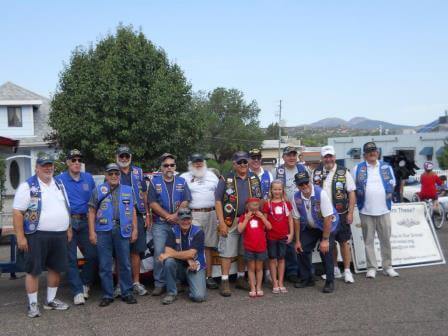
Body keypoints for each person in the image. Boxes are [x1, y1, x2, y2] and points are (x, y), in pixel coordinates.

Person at [13, 154, 71, 318]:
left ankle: (50, 301)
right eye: (44, 165)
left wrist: (68, 227)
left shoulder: (59, 183)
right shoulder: (28, 186)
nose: (48, 168)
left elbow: (66, 206)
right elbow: (18, 212)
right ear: (36, 168)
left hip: (59, 234)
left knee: (55, 268)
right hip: (36, 234)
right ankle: (32, 304)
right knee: (33, 270)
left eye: (50, 165)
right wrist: (20, 236)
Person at [88, 163, 138, 307]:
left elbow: (133, 211)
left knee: (125, 264)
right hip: (103, 231)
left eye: (116, 174)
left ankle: (127, 292)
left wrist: (135, 230)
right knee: (104, 264)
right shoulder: (98, 190)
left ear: (120, 175)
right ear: (106, 175)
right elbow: (91, 212)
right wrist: (92, 232)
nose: (114, 176)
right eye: (111, 174)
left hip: (123, 230)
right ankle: (107, 294)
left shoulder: (128, 190)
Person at [215, 151, 262, 297]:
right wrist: (221, 222)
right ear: (234, 164)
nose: (243, 165)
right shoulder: (226, 178)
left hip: (248, 219)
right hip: (231, 220)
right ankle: (224, 281)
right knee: (227, 252)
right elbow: (217, 201)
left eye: (245, 162)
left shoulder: (254, 178)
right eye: (239, 162)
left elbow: (259, 199)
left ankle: (241, 278)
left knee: (243, 251)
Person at [353, 142, 399, 279]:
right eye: (369, 151)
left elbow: (393, 184)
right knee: (368, 241)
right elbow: (353, 188)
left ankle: (387, 266)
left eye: (374, 150)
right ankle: (371, 267)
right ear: (364, 155)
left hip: (384, 210)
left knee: (386, 240)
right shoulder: (357, 168)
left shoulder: (387, 167)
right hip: (366, 211)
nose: (372, 153)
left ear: (378, 153)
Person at [57, 149, 97, 305]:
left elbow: (94, 201)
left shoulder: (88, 178)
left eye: (79, 160)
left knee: (94, 255)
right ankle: (77, 291)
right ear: (67, 162)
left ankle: (85, 283)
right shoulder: (59, 180)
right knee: (71, 258)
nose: (77, 163)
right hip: (68, 223)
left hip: (86, 221)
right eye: (73, 160)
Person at [148, 153, 192, 296]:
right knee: (159, 252)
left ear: (175, 167)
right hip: (160, 224)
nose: (169, 168)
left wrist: (176, 215)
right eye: (166, 165)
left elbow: (186, 200)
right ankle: (159, 283)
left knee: (177, 252)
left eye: (171, 165)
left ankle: (177, 282)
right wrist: (167, 216)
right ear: (161, 167)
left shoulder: (182, 181)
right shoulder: (154, 182)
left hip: (178, 223)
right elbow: (152, 203)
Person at [312, 146, 356, 283]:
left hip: (341, 213)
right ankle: (335, 269)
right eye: (326, 156)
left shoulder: (344, 172)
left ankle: (347, 270)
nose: (328, 159)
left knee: (344, 242)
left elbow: (351, 192)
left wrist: (350, 212)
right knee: (330, 244)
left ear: (335, 157)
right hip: (325, 216)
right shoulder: (316, 172)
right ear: (322, 158)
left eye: (330, 156)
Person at [292, 170, 340, 293]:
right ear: (297, 185)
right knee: (301, 248)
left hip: (327, 225)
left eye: (306, 183)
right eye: (301, 184)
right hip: (312, 227)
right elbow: (296, 219)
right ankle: (307, 278)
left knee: (325, 250)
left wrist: (324, 240)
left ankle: (330, 281)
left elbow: (328, 218)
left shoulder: (321, 193)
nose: (304, 186)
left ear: (310, 181)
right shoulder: (296, 197)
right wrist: (297, 241)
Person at [180, 153, 219, 289]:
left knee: (208, 246)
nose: (198, 164)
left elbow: (219, 195)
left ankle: (208, 277)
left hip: (211, 213)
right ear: (190, 164)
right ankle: (193, 275)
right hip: (193, 215)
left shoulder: (212, 176)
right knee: (193, 246)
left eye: (200, 161)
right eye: (195, 162)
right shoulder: (183, 177)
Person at [115, 145, 149, 297]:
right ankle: (119, 284)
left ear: (130, 157)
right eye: (121, 156)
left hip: (139, 215)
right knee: (119, 252)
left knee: (135, 251)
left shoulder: (138, 172)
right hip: (119, 217)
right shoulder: (112, 172)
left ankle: (135, 283)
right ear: (117, 157)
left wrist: (148, 214)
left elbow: (144, 193)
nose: (124, 159)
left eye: (126, 156)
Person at [159, 207, 207, 304]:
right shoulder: (172, 231)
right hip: (181, 265)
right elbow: (167, 250)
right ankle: (171, 293)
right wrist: (187, 258)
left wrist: (187, 257)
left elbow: (191, 253)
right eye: (183, 219)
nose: (185, 222)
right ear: (178, 220)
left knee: (199, 297)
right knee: (168, 262)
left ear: (191, 219)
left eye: (188, 219)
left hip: (194, 266)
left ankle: (190, 285)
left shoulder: (198, 232)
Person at [274, 146, 307, 284]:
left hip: (302, 208)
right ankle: (292, 271)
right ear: (284, 157)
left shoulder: (303, 169)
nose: (292, 157)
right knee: (289, 242)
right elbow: (276, 189)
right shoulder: (278, 171)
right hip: (286, 210)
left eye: (294, 155)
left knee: (302, 241)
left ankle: (303, 269)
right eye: (289, 155)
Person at [262, 180, 293, 293]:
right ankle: (274, 282)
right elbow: (264, 220)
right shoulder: (267, 204)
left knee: (281, 259)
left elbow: (290, 220)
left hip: (283, 236)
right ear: (271, 190)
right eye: (275, 189)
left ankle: (281, 281)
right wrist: (264, 234)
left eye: (279, 189)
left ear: (282, 190)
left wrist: (291, 233)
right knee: (272, 259)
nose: (277, 191)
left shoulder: (286, 203)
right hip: (271, 236)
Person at [238, 198, 272, 297]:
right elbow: (240, 229)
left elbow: (269, 227)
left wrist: (262, 217)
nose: (255, 207)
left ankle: (259, 287)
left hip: (261, 246)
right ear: (247, 206)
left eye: (257, 205)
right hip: (249, 247)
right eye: (253, 205)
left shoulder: (260, 216)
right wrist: (246, 219)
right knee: (251, 268)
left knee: (259, 268)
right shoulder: (243, 217)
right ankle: (253, 287)